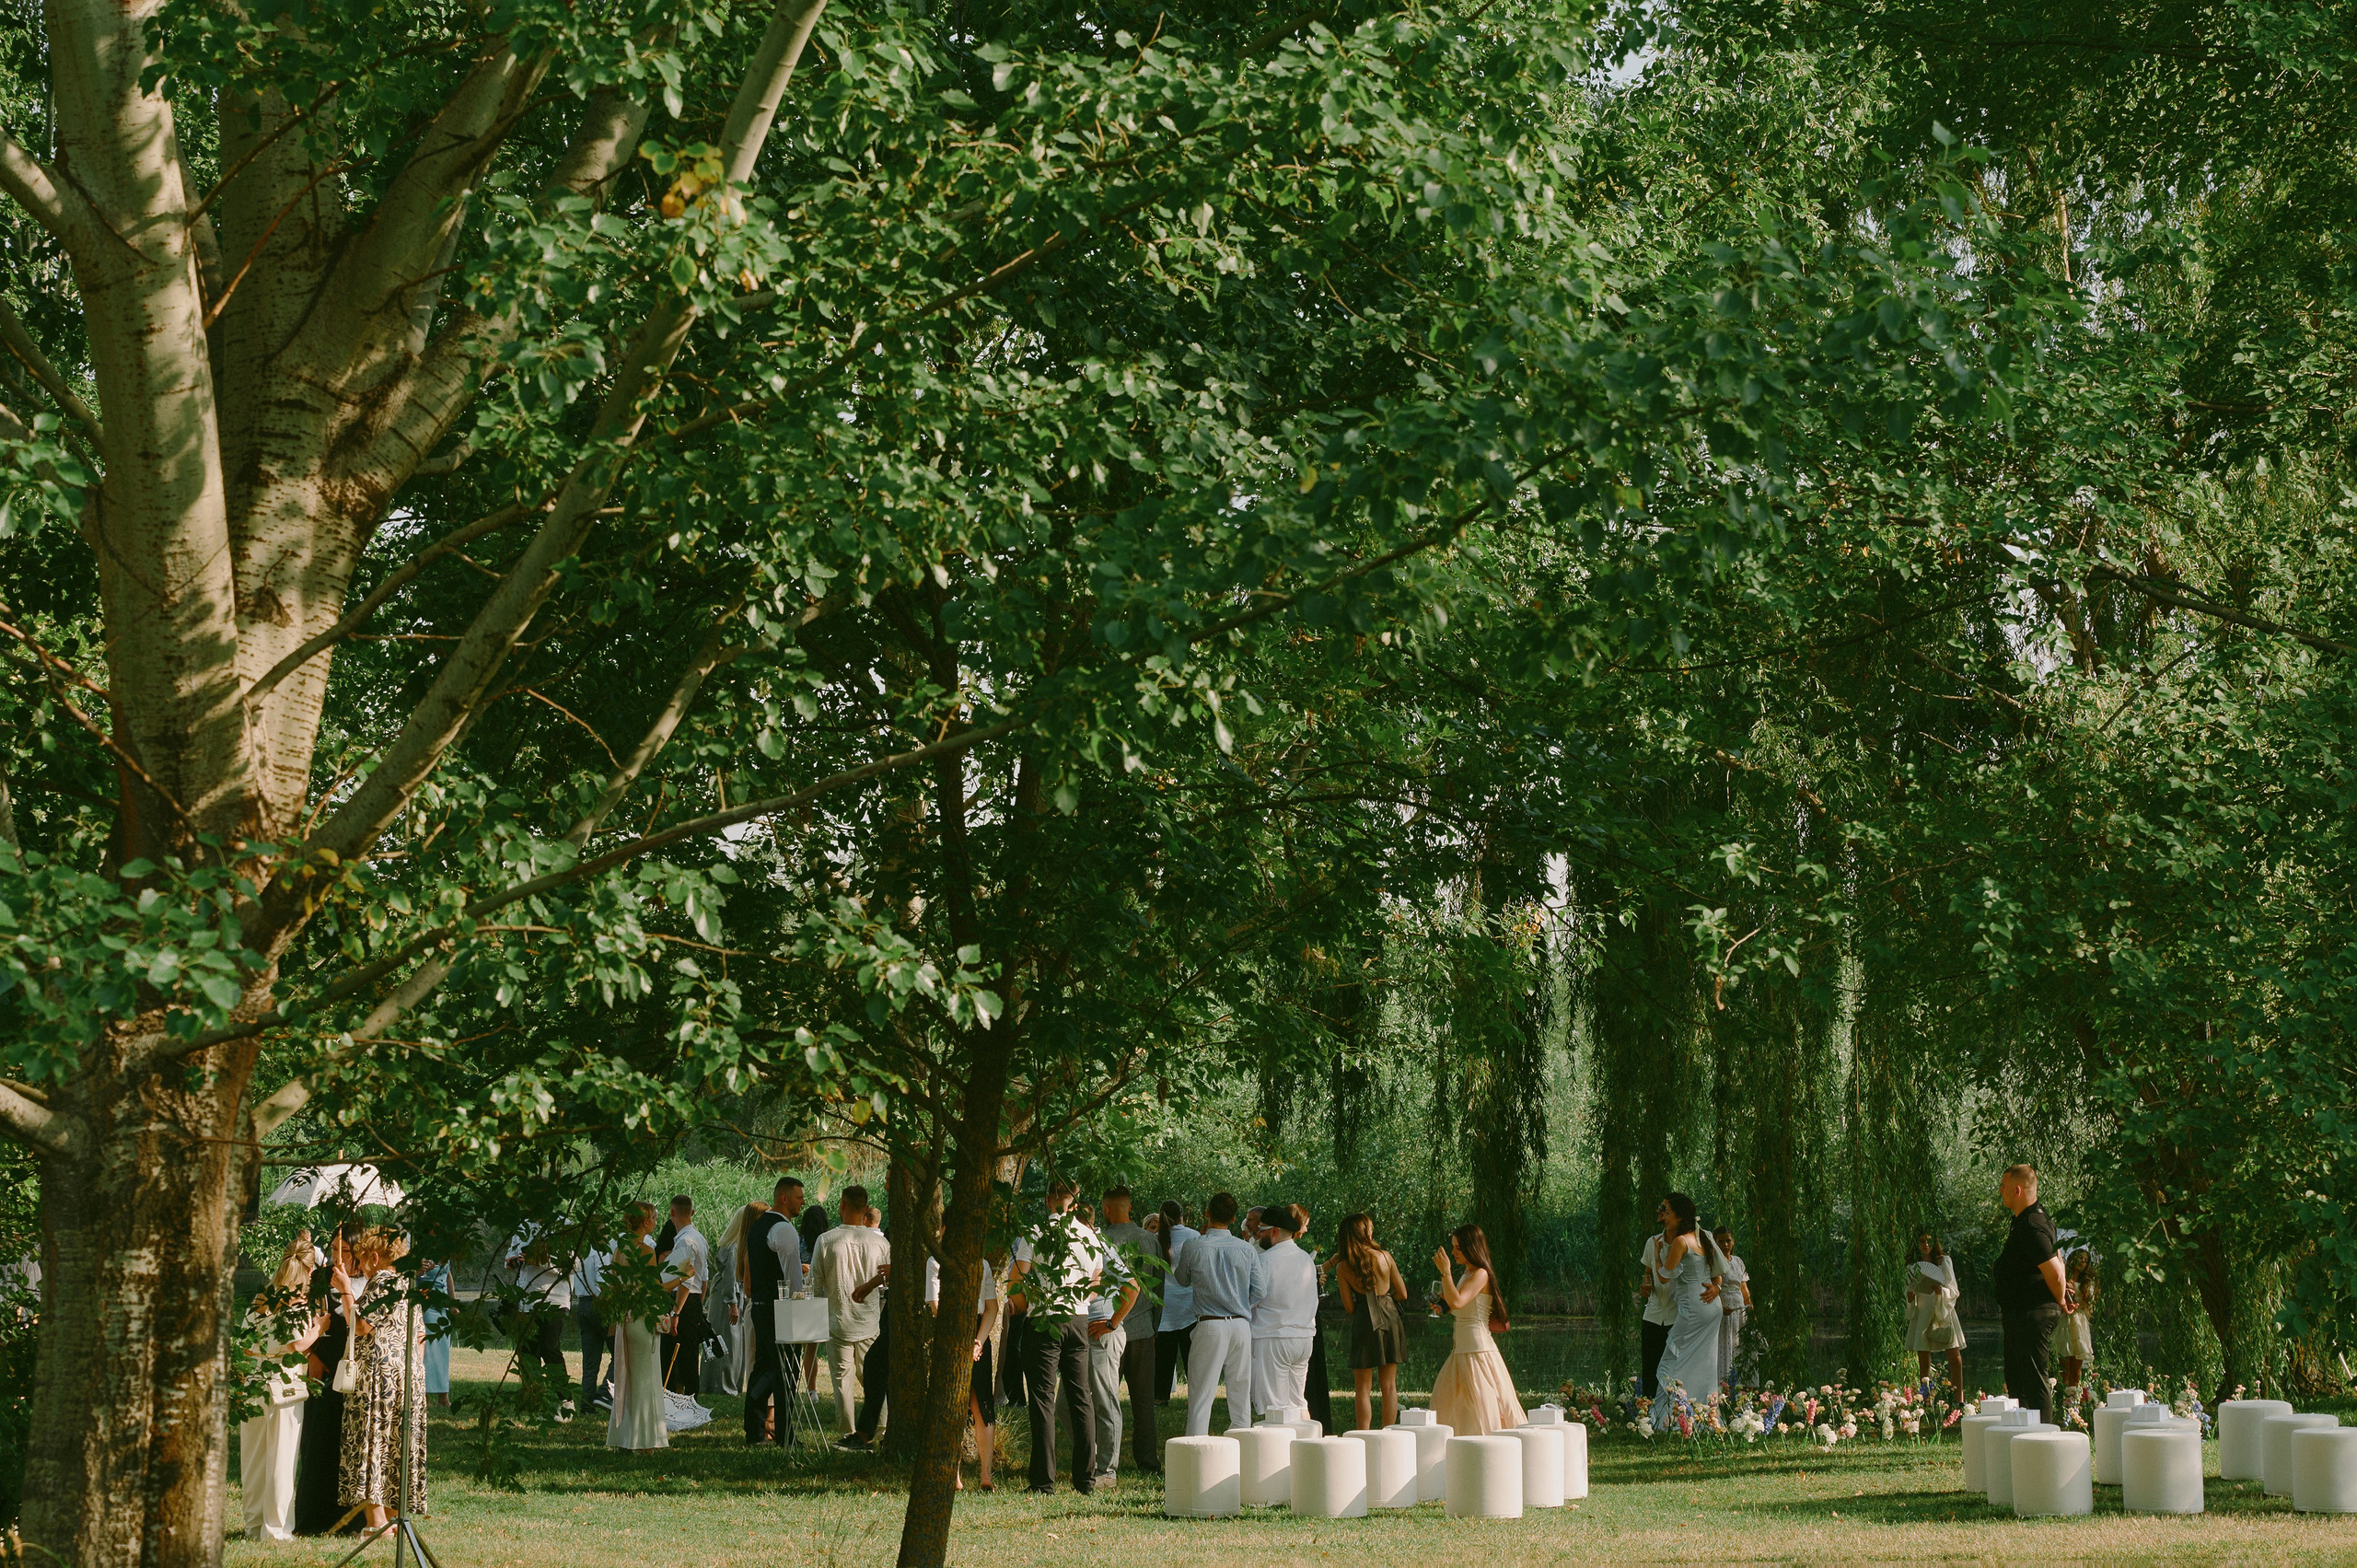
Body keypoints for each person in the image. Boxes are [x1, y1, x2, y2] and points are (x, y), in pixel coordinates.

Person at [1005, 1178, 1102, 1493]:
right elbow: (1097, 1278)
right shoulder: (1088, 1235)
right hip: (1078, 1318)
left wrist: (1023, 1303)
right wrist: (1081, 1301)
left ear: (1048, 1200)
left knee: (1042, 1399)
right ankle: (1085, 1479)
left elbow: (1016, 1278)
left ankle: (1043, 1480)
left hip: (1044, 1318)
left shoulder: (1035, 1233)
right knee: (1081, 1398)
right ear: (1075, 1201)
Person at [337, 1225, 427, 1534]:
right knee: (394, 1446)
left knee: (371, 1444)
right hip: (407, 1376)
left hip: (378, 1378)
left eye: (362, 1260)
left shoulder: (382, 1281)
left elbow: (361, 1325)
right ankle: (391, 1519)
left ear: (374, 1258)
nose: (361, 1267)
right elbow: (420, 1336)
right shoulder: (407, 1285)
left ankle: (376, 1524)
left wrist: (346, 1290)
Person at [240, 1233, 319, 1540]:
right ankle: (276, 1529)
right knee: (282, 1458)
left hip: (254, 1381)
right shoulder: (297, 1302)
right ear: (309, 1270)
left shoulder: (262, 1299)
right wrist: (319, 1328)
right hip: (283, 1383)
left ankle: (253, 1525)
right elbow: (298, 1344)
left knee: (254, 1458)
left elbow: (245, 1345)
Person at [292, 1222, 364, 1536]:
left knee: (350, 1444)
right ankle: (312, 1518)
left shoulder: (370, 1282)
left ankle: (349, 1520)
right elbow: (301, 1319)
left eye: (345, 1251)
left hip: (356, 1370)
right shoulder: (321, 1279)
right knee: (317, 1442)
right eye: (334, 1249)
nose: (338, 1256)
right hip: (323, 1367)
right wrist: (311, 1355)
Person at [1172, 1191, 1260, 1435]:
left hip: (1209, 1324)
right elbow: (1260, 1290)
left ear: (1207, 1213)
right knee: (1240, 1393)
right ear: (1233, 1219)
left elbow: (1182, 1280)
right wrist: (1241, 1305)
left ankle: (1195, 1446)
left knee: (1201, 1394)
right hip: (1240, 1324)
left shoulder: (1194, 1246)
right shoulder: (1246, 1249)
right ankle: (1243, 1446)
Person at [1429, 1222, 1526, 1435]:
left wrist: (1445, 1273)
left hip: (1477, 1350)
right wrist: (1444, 1306)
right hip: (1461, 1349)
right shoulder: (1467, 1273)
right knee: (1443, 1401)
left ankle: (1494, 1445)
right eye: (1453, 1247)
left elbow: (1459, 1301)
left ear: (1471, 1247)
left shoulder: (1481, 1273)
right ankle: (1455, 1444)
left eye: (1458, 1247)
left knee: (1484, 1406)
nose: (1453, 1252)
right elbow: (1460, 1306)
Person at [810, 1186, 892, 1436]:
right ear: (865, 1209)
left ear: (842, 1205)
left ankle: (847, 1431)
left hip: (838, 1318)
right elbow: (888, 1279)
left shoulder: (826, 1240)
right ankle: (881, 1427)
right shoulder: (880, 1242)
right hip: (870, 1320)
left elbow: (815, 1284)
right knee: (874, 1379)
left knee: (842, 1380)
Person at [1993, 1164, 2068, 1421]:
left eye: (2003, 1186)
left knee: (2034, 1381)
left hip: (2031, 1313)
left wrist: (2060, 1297)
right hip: (2021, 1312)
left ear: (2017, 1190)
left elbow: (2055, 1272)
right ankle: (2025, 1432)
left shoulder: (2032, 1224)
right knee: (2018, 1380)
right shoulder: (2031, 1219)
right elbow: (2058, 1254)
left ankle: (2042, 1435)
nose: (2000, 1191)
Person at [1090, 1186, 1155, 1479]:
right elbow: (1158, 1285)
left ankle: (1102, 1457)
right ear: (1130, 1207)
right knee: (1143, 1401)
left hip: (1108, 1323)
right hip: (1143, 1327)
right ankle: (1147, 1460)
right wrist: (1155, 1324)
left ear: (1105, 1210)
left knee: (1104, 1397)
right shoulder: (1149, 1239)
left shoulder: (1099, 1241)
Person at [1647, 1194, 1724, 1428]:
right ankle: (1703, 1416)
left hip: (1693, 1309)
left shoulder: (1681, 1241)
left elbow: (1663, 1276)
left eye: (1668, 1212)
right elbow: (1719, 1271)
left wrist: (1657, 1254)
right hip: (1712, 1308)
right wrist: (1717, 1287)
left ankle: (1668, 1418)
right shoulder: (1705, 1236)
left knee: (1671, 1360)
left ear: (1680, 1217)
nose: (1665, 1216)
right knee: (1705, 1363)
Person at [741, 1176, 807, 1446]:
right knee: (786, 1371)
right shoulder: (784, 1229)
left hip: (759, 1306)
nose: (803, 1202)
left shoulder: (757, 1227)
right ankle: (785, 1435)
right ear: (784, 1198)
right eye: (799, 1197)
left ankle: (755, 1430)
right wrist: (799, 1302)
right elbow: (793, 1275)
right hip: (778, 1309)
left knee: (765, 1368)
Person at [1335, 1212, 1408, 1430]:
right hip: (1390, 1317)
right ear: (1365, 1232)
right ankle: (1388, 1433)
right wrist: (1385, 1301)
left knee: (1362, 1389)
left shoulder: (1343, 1267)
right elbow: (1403, 1293)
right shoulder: (1385, 1257)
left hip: (1364, 1320)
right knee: (1389, 1386)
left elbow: (1349, 1308)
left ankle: (1363, 1435)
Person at [608, 1201, 669, 1451]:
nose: (655, 1222)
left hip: (625, 1320)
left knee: (628, 1379)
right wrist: (682, 1277)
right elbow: (653, 1289)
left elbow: (612, 1286)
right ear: (645, 1222)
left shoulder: (620, 1249)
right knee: (646, 1380)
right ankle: (644, 1441)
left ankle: (623, 1439)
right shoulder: (646, 1251)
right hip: (642, 1319)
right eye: (654, 1218)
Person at [1248, 1203, 1318, 1418]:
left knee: (1275, 1409)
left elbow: (1250, 1301)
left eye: (1262, 1230)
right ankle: (1307, 1438)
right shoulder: (1306, 1259)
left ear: (1274, 1232)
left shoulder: (1264, 1261)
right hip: (1303, 1338)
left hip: (1273, 1337)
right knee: (1299, 1402)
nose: (1258, 1234)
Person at [503, 1222, 575, 1419]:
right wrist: (511, 1261)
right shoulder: (523, 1225)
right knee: (528, 1352)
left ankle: (565, 1401)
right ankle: (536, 1402)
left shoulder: (564, 1225)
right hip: (526, 1299)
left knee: (550, 1348)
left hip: (553, 1299)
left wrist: (542, 1262)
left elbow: (573, 1265)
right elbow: (512, 1253)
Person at [657, 1195, 710, 1396]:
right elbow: (704, 1278)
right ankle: (686, 1396)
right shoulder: (699, 1238)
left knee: (679, 1355)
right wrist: (698, 1304)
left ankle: (682, 1398)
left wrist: (676, 1312)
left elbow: (685, 1280)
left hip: (682, 1301)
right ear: (692, 1213)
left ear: (672, 1212)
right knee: (688, 1354)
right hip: (694, 1300)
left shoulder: (685, 1241)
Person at [1905, 1229, 1965, 1394]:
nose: (1926, 1245)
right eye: (1922, 1241)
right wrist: (1910, 1296)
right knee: (1924, 1362)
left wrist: (1942, 1292)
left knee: (1955, 1359)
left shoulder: (1944, 1261)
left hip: (1942, 1310)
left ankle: (1958, 1400)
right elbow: (1907, 1292)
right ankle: (1925, 1401)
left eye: (1929, 1241)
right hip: (1922, 1311)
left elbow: (1953, 1289)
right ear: (1916, 1243)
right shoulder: (1912, 1266)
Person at [1152, 1201, 1200, 1406]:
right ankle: (1196, 1396)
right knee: (1192, 1356)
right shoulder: (1193, 1236)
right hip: (1189, 1304)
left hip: (1165, 1304)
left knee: (1163, 1356)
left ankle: (1160, 1397)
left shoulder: (1156, 1238)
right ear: (1182, 1216)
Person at [1637, 1196, 1681, 1398]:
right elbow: (1648, 1272)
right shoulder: (1652, 1242)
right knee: (1650, 1366)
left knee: (1675, 1367)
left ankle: (1676, 1408)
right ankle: (1647, 1407)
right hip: (1653, 1314)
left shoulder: (1686, 1244)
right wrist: (1646, 1285)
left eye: (1663, 1208)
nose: (1658, 1211)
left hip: (1677, 1315)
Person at [1713, 1226, 1753, 1388]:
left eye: (1728, 1241)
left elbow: (1744, 1288)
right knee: (1725, 1346)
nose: (1725, 1244)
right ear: (1715, 1243)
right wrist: (1720, 1307)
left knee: (1740, 1345)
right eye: (1721, 1241)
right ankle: (1723, 1384)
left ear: (1733, 1242)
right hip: (1723, 1311)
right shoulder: (1712, 1262)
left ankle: (1742, 1384)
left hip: (1740, 1310)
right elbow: (1711, 1288)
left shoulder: (1738, 1261)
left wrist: (1750, 1307)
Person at [570, 1237, 606, 1413]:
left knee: (590, 1360)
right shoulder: (599, 1252)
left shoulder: (579, 1254)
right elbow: (601, 1281)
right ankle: (604, 1393)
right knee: (618, 1351)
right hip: (597, 1303)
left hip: (582, 1304)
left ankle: (586, 1404)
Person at [795, 1202, 829, 1390]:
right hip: (825, 1295)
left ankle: (811, 1388)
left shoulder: (799, 1241)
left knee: (808, 1348)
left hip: (805, 1296)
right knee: (828, 1346)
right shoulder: (827, 1240)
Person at [2059, 1248, 2097, 1408]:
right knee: (2064, 1364)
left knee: (2076, 1367)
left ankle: (2074, 1402)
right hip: (2065, 1321)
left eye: (2086, 1260)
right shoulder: (2062, 1277)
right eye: (2080, 1258)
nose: (2082, 1262)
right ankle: (2061, 1399)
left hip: (2079, 1322)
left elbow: (2089, 1305)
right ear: (2073, 1259)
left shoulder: (2087, 1283)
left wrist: (2078, 1298)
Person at [418, 1256, 452, 1409]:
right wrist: (419, 1270)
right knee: (427, 1353)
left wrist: (453, 1303)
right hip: (425, 1304)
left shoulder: (444, 1251)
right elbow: (408, 1276)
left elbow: (448, 1275)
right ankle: (424, 1395)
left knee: (443, 1352)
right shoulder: (418, 1250)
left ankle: (443, 1396)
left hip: (443, 1305)